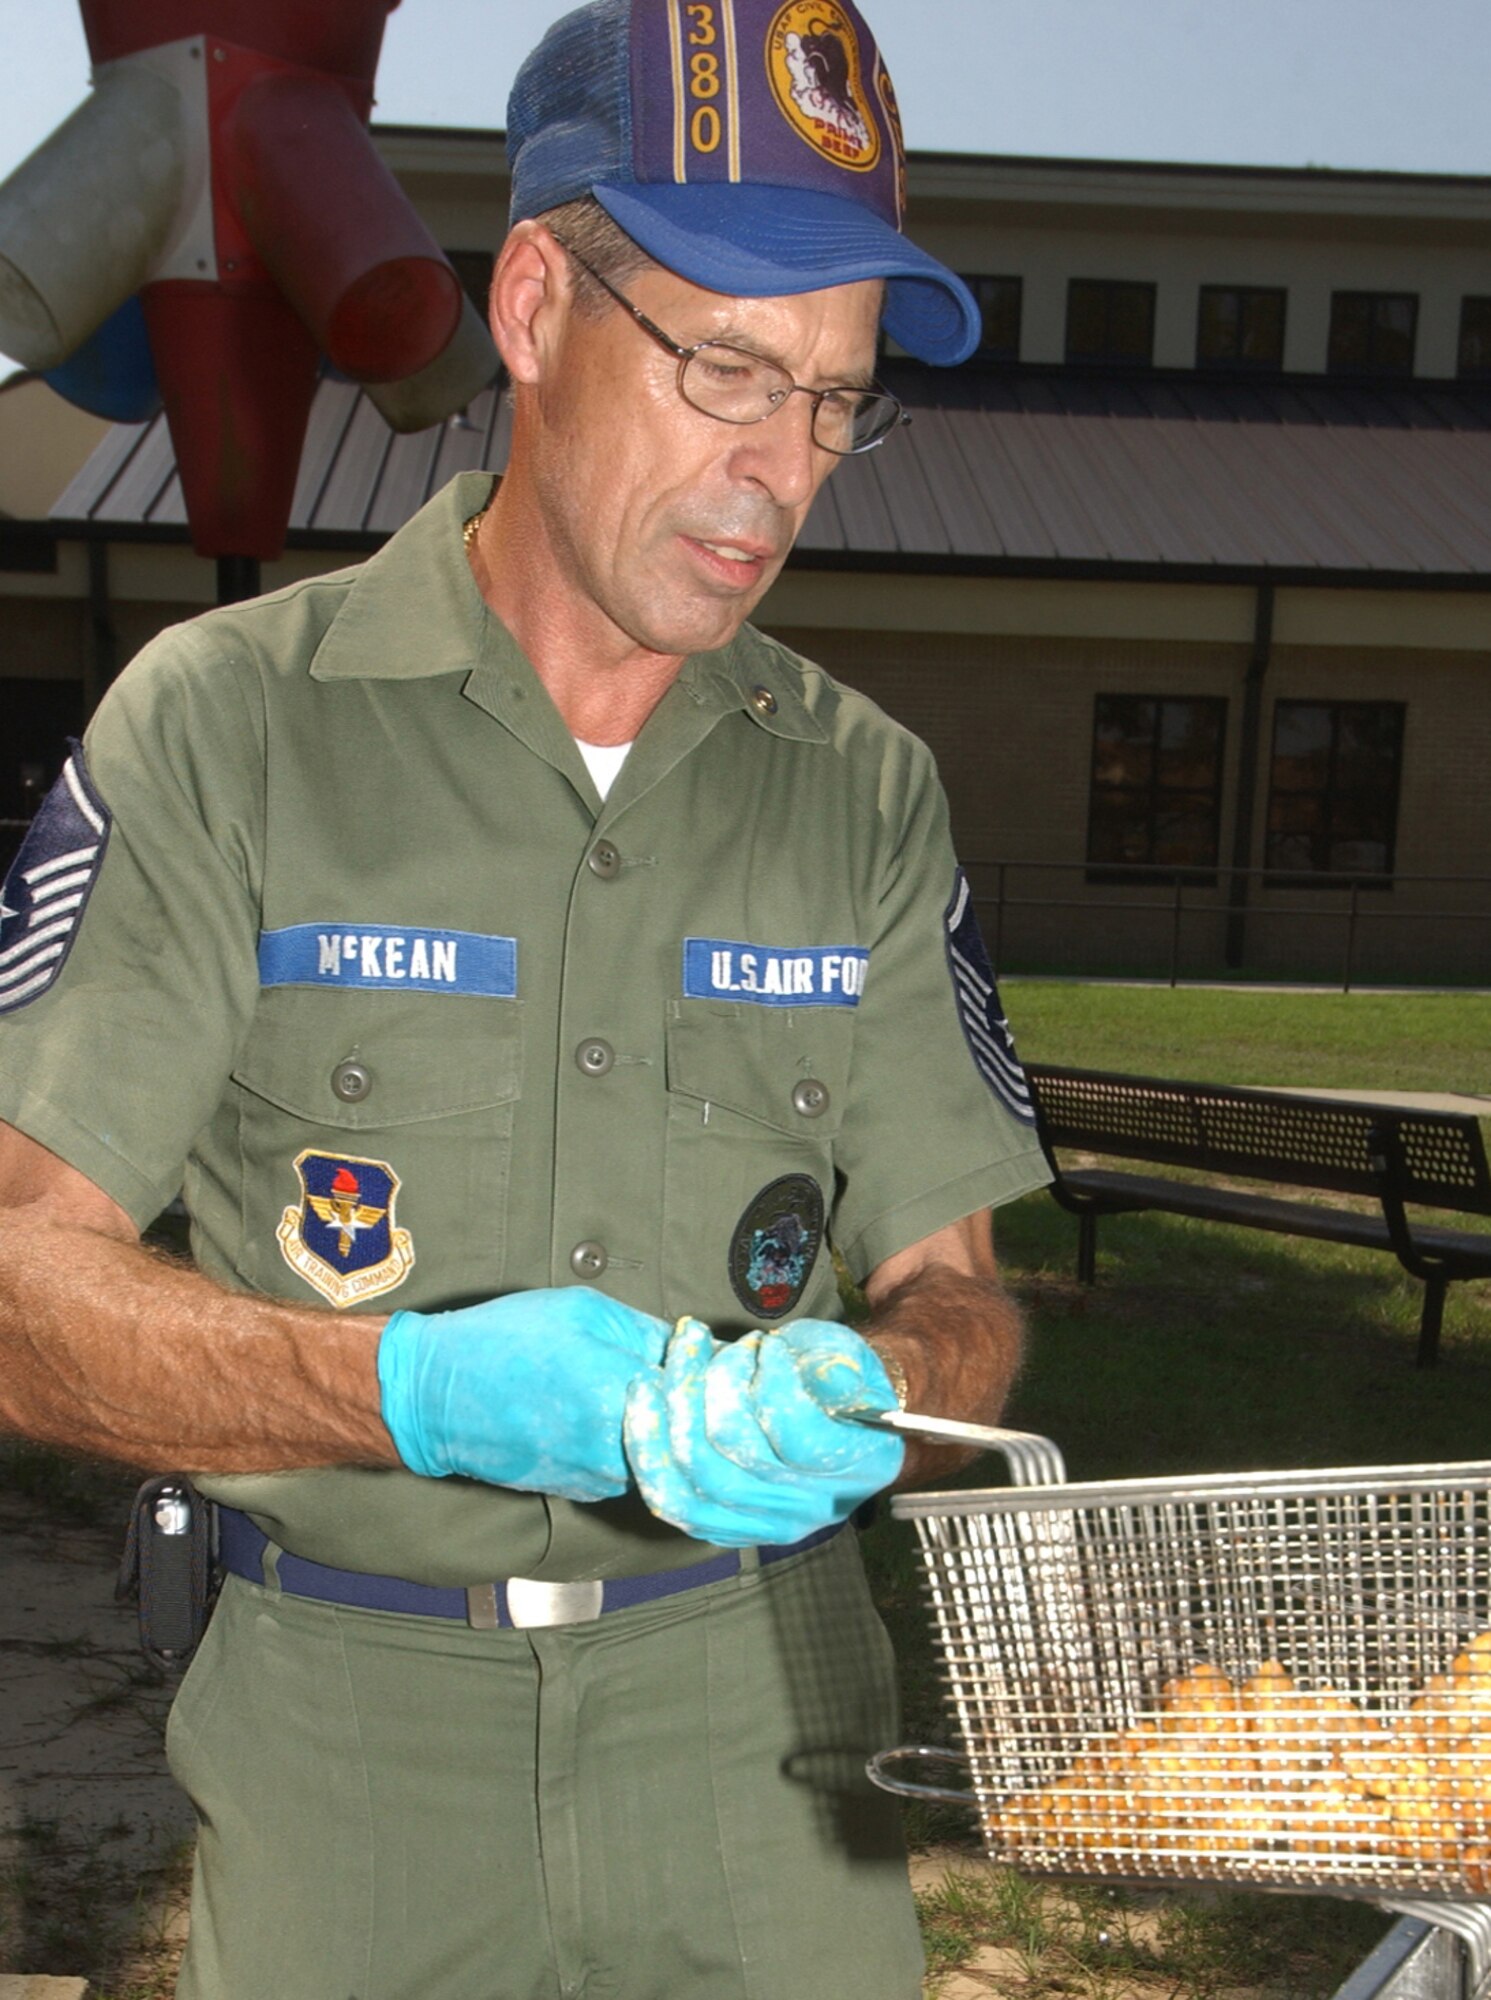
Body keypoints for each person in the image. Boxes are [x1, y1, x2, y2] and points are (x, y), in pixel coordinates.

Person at [0, 1, 1052, 1993]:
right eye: (729, 364)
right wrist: (401, 1390)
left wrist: (892, 1402)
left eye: (833, 400)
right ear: (537, 303)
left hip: (775, 1739)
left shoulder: (866, 792)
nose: (779, 470)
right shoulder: (230, 732)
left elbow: (960, 1287)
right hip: (349, 1745)